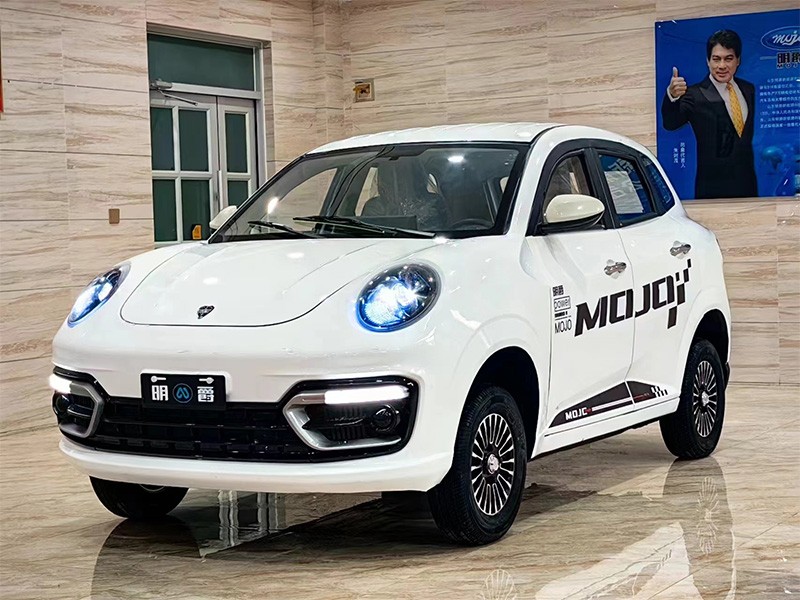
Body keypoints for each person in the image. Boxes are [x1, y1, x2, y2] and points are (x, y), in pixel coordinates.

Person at [661, 29, 757, 199]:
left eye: (728, 59)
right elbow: (670, 123)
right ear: (708, 61)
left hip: (748, 186)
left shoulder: (748, 89)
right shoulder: (694, 94)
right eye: (716, 59)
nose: (722, 66)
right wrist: (672, 96)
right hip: (712, 190)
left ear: (738, 61)